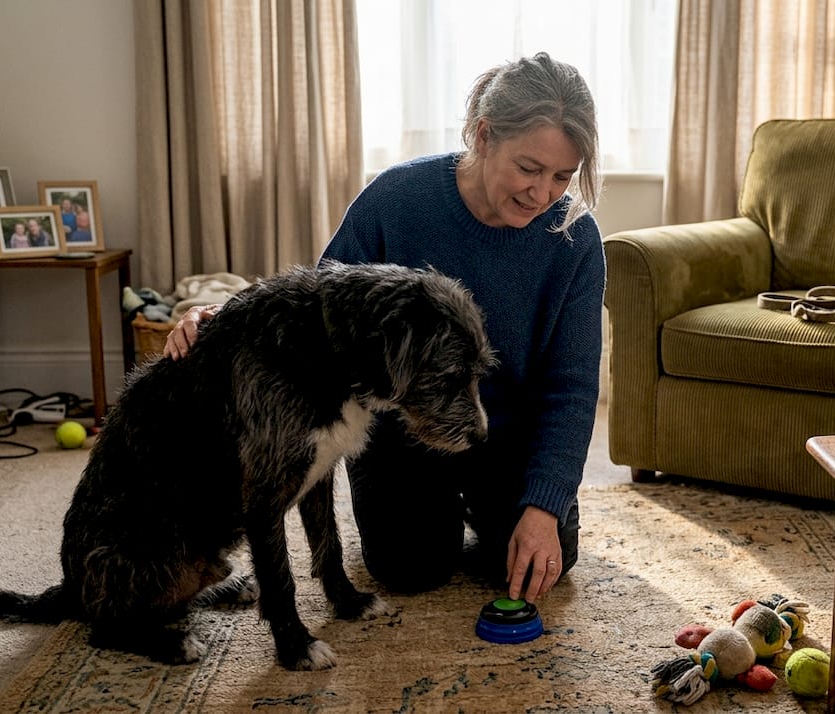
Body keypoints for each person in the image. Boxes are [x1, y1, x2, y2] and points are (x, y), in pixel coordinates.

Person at [164, 52, 604, 605]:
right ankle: (437, 513)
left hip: (506, 434)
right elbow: (317, 307)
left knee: (542, 560)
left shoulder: (575, 240)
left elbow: (571, 388)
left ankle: (491, 508)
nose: (543, 194)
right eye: (529, 168)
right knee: (409, 567)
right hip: (399, 435)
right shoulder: (397, 199)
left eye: (562, 176)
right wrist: (223, 320)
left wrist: (543, 506)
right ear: (484, 135)